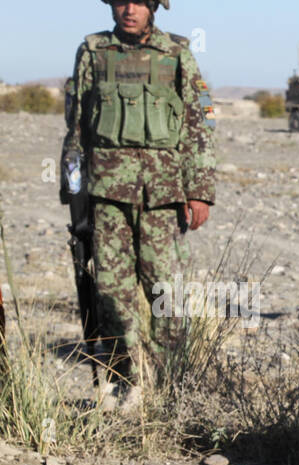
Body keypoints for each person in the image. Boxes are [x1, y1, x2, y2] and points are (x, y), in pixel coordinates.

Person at [60, 0, 216, 410]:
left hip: (163, 196)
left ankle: (167, 384)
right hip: (107, 194)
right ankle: (124, 380)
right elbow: (75, 123)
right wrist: (72, 187)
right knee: (111, 290)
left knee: (166, 289)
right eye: (121, 2)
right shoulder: (93, 51)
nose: (129, 10)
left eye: (138, 3)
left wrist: (199, 189)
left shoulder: (177, 53)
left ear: (153, 8)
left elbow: (201, 121)